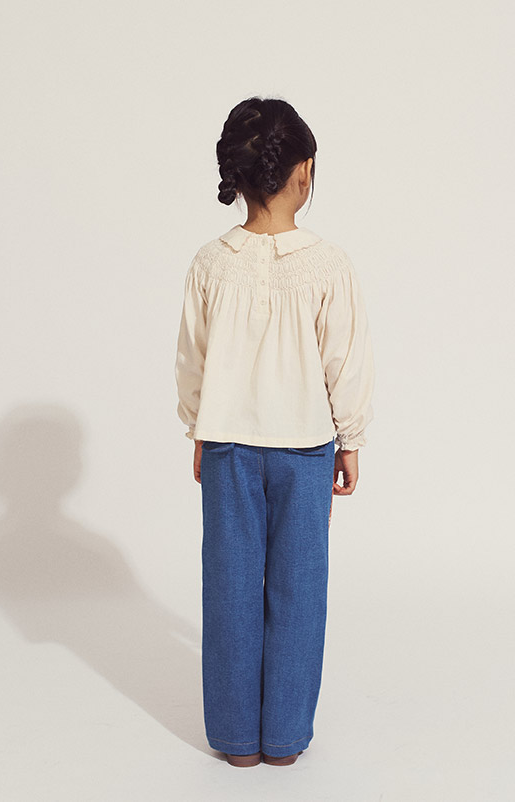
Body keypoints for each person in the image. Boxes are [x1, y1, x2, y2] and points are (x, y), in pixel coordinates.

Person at [174, 96, 375, 768]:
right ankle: (284, 738)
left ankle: (236, 741)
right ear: (304, 171)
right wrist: (351, 439)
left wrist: (197, 427)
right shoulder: (328, 264)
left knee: (229, 586)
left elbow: (192, 359)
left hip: (228, 445)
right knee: (299, 590)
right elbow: (346, 360)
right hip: (306, 447)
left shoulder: (210, 262)